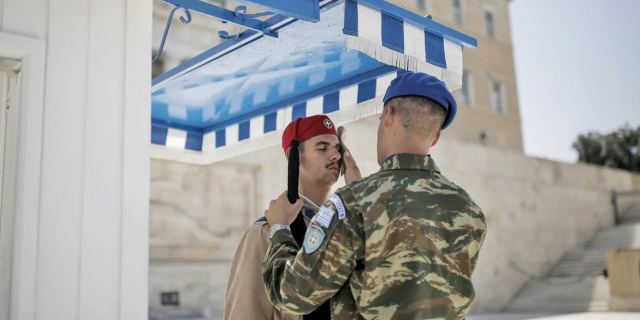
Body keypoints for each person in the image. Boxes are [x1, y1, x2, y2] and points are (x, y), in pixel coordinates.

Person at [262, 72, 487, 319]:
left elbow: (293, 296)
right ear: (436, 137)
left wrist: (279, 229)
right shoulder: (469, 209)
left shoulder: (353, 203)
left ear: (389, 115)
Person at [224, 114, 361, 320]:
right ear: (294, 156)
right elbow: (245, 312)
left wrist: (359, 197)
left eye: (338, 149)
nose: (336, 156)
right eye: (323, 148)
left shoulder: (346, 225)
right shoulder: (264, 233)